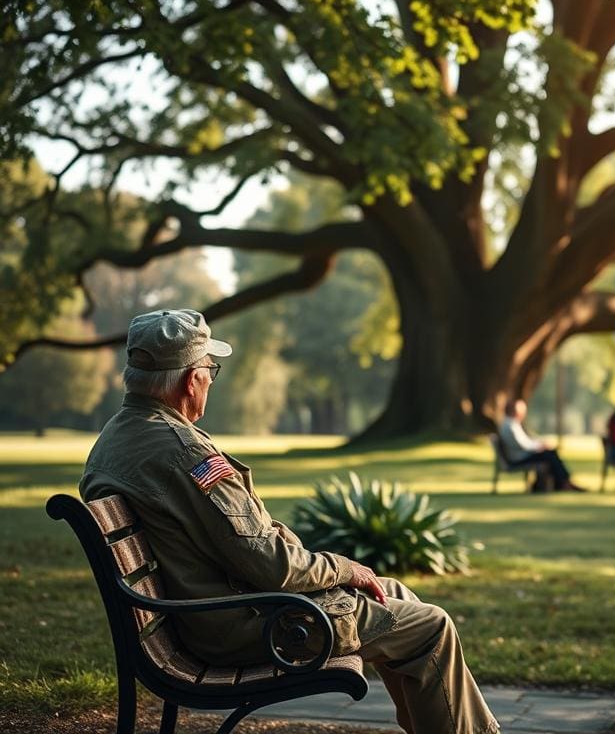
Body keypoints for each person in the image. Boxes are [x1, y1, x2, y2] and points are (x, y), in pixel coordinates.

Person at [79, 309, 499, 734]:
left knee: (393, 595)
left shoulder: (116, 439)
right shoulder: (185, 453)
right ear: (192, 380)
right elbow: (270, 564)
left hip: (206, 614)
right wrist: (342, 567)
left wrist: (335, 572)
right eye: (210, 369)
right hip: (242, 624)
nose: (210, 379)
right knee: (432, 629)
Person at [498, 399, 584, 492]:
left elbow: (525, 442)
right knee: (550, 455)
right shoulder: (510, 426)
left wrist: (540, 445)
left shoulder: (510, 424)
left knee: (550, 454)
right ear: (516, 411)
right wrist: (540, 446)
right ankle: (564, 483)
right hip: (519, 458)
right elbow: (523, 445)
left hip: (521, 455)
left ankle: (561, 483)